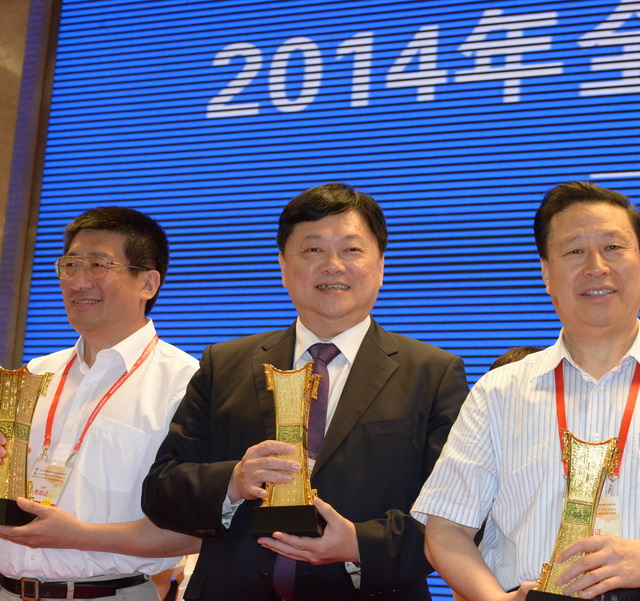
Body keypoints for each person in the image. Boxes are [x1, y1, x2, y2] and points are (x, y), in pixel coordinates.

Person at [141, 182, 469, 601]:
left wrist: (359, 544)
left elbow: (456, 512)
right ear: (282, 265)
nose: (332, 265)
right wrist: (233, 481)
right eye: (313, 249)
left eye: (351, 249)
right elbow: (161, 490)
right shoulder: (224, 363)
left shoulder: (432, 373)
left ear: (381, 265)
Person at [411, 181, 640, 601]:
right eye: (574, 251)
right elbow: (445, 529)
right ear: (547, 274)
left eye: (613, 247)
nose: (596, 266)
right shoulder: (499, 391)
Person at [0, 207, 200, 601]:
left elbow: (196, 531)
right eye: (70, 265)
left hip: (110, 593)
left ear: (148, 283)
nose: (77, 281)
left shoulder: (186, 383)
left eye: (98, 265)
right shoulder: (34, 374)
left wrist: (79, 535)